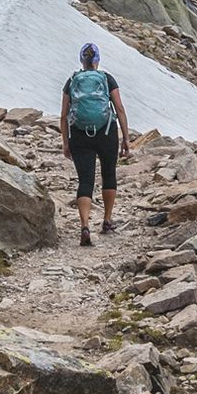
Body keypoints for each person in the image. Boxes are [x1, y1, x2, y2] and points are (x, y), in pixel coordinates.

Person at [60, 42, 130, 246]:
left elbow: (64, 115)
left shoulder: (72, 80)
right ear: (97, 60)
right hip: (106, 132)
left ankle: (84, 225)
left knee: (85, 180)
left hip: (79, 136)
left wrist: (66, 142)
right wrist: (126, 138)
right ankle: (107, 221)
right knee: (109, 174)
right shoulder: (107, 79)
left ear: (81, 60)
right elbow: (120, 108)